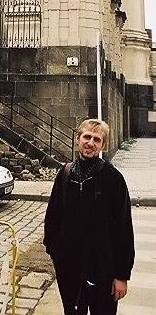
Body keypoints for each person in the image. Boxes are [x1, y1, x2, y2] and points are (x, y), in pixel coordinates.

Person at [43, 119, 134, 315]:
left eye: (97, 139)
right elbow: (52, 216)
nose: (90, 143)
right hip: (69, 269)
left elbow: (124, 229)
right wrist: (55, 251)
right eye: (87, 137)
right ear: (78, 139)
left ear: (103, 145)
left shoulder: (113, 179)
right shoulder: (65, 174)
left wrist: (121, 275)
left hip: (103, 271)